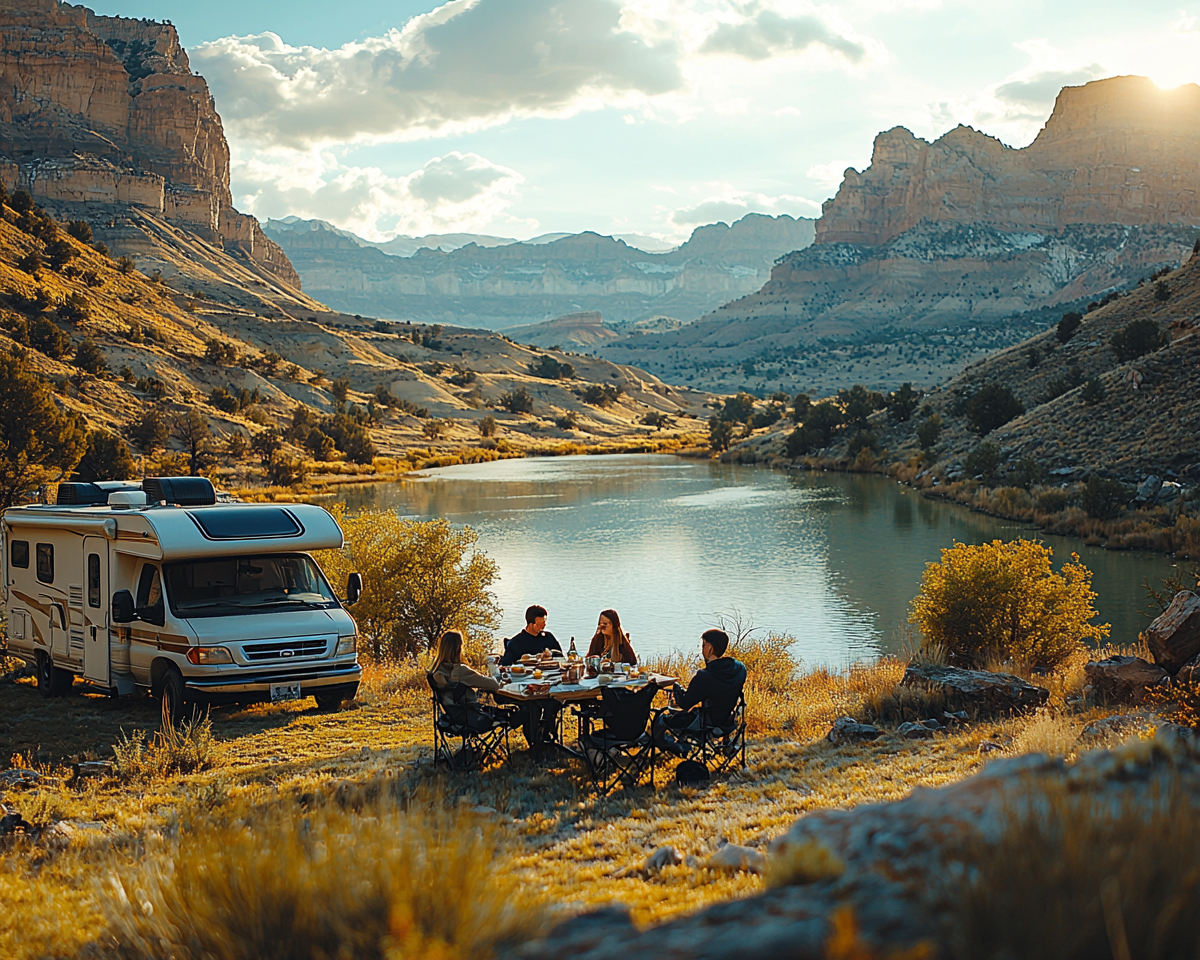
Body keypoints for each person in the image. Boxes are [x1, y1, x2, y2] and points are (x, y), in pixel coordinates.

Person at [654, 629, 746, 753]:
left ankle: (673, 748)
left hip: (706, 724)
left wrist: (676, 687)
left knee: (660, 718)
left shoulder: (705, 676)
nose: (702, 649)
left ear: (709, 648)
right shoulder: (739, 668)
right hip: (728, 721)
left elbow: (685, 704)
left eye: (703, 645)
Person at [497, 604, 563, 747]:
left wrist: (551, 654)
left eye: (545, 622)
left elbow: (560, 656)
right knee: (534, 706)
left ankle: (545, 733)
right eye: (540, 623)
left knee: (557, 701)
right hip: (527, 685)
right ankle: (535, 742)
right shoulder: (517, 642)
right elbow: (506, 663)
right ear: (531, 623)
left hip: (548, 682)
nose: (543, 626)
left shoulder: (548, 637)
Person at [429, 630, 516, 732]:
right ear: (458, 649)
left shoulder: (436, 670)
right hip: (474, 719)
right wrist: (492, 669)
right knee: (519, 713)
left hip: (452, 717)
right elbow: (494, 685)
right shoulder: (460, 670)